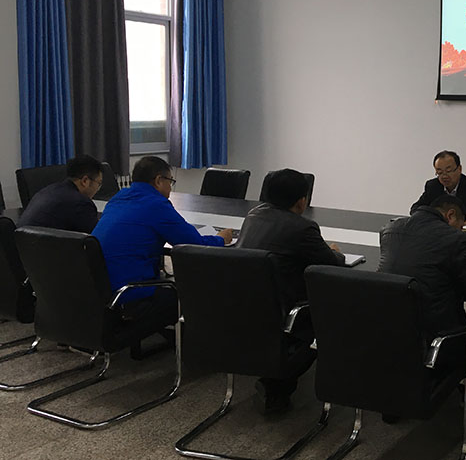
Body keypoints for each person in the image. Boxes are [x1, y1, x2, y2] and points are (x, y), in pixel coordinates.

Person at [237, 168, 345, 412]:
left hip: (244, 307)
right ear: (301, 201)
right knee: (332, 312)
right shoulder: (303, 228)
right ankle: (278, 383)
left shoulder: (253, 216)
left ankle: (273, 378)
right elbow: (332, 264)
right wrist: (335, 251)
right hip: (282, 312)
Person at [380, 194, 466, 407]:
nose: (460, 231)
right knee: (454, 321)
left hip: (386, 329)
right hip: (434, 339)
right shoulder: (455, 240)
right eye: (461, 226)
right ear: (451, 215)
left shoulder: (390, 230)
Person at [92, 156, 232, 339]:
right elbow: (193, 244)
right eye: (170, 182)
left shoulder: (118, 198)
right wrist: (221, 239)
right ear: (159, 180)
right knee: (191, 294)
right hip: (128, 291)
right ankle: (196, 343)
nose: (170, 188)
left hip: (98, 289)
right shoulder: (156, 205)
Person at [17, 154, 104, 233]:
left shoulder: (47, 190)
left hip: (21, 242)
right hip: (46, 244)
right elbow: (98, 237)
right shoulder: (81, 203)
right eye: (99, 183)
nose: (98, 189)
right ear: (85, 181)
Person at [410, 150, 466, 226]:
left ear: (459, 169)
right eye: (439, 172)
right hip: (439, 231)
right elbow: (416, 208)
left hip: (464, 233)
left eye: (448, 171)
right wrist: (430, 216)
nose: (444, 176)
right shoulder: (432, 186)